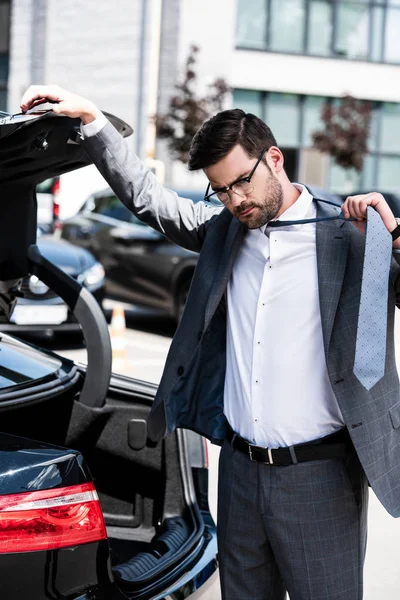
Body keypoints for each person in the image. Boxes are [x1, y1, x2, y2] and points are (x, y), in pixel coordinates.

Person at [21, 85, 400, 600]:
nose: (235, 200)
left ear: (274, 158)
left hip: (321, 481)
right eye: (220, 191)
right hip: (239, 475)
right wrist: (90, 119)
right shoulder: (224, 230)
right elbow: (149, 198)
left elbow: (382, 328)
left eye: (242, 182)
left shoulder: (352, 236)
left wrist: (393, 237)